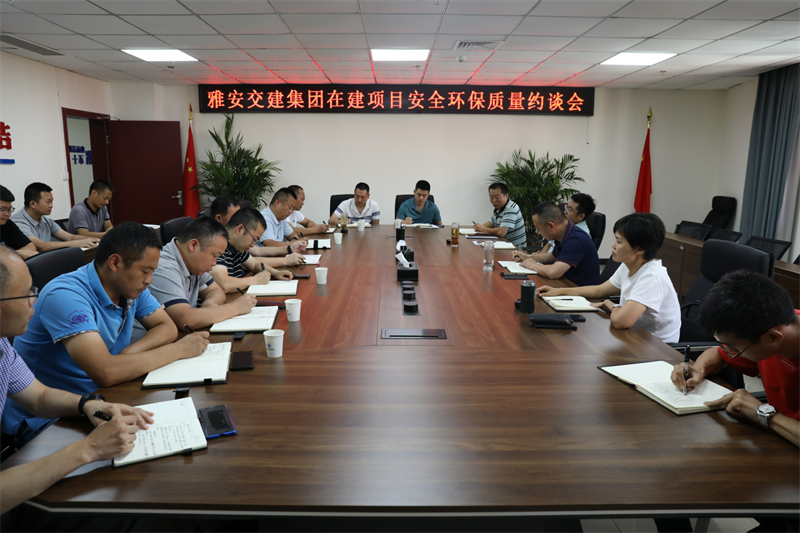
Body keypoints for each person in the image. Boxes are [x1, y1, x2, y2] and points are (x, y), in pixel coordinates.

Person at [3, 223, 209, 444]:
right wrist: (177, 350)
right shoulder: (65, 295)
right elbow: (105, 372)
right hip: (47, 418)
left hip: (97, 398)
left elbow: (166, 327)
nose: (149, 280)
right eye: (145, 271)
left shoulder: (129, 286)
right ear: (115, 263)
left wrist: (125, 356)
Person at [0, 247, 153, 516]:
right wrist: (87, 450)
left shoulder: (2, 346)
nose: (34, 301)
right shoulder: (64, 294)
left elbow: (38, 396)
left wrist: (89, 404)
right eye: (25, 294)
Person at [671, 270, 799, 533]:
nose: (729, 351)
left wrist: (764, 413)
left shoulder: (768, 332)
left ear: (774, 338)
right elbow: (718, 355)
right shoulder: (768, 327)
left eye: (734, 346)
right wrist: (698, 369)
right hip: (778, 448)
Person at [537, 213, 680, 342]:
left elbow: (620, 321)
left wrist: (613, 306)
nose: (613, 245)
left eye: (619, 241)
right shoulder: (628, 265)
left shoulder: (652, 276)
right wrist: (559, 291)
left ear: (639, 249)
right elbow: (599, 290)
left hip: (658, 347)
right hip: (633, 335)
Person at [132, 217, 256, 341]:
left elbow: (216, 291)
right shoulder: (163, 267)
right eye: (214, 256)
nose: (215, 263)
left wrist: (210, 303)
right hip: (147, 347)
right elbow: (185, 319)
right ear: (193, 245)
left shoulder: (193, 261)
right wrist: (236, 308)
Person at [512, 201, 599, 285]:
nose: (539, 233)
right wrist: (527, 257)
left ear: (551, 226)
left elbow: (553, 272)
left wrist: (533, 265)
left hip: (579, 290)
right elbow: (553, 257)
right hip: (564, 283)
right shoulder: (564, 231)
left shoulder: (576, 240)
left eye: (538, 229)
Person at [211, 208, 295, 294]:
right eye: (254, 239)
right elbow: (224, 284)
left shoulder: (237, 247)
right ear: (240, 229)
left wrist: (276, 273)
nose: (252, 245)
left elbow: (255, 265)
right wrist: (255, 280)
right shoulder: (216, 246)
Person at [10, 182, 98, 252]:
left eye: (52, 201)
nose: (51, 205)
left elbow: (70, 237)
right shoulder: (17, 222)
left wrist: (93, 240)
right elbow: (41, 246)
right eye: (48, 202)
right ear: (33, 204)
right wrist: (76, 243)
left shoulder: (46, 221)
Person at [473, 182, 526, 247]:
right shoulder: (498, 208)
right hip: (502, 244)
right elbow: (491, 224)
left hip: (515, 249)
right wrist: (479, 226)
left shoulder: (511, 208)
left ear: (506, 196)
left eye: (497, 197)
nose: (494, 201)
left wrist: (484, 229)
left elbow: (501, 232)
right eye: (491, 197)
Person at [0, 185, 37, 259]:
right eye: (3, 209)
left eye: (9, 209)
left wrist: (13, 254)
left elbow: (31, 248)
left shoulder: (7, 224)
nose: (7, 214)